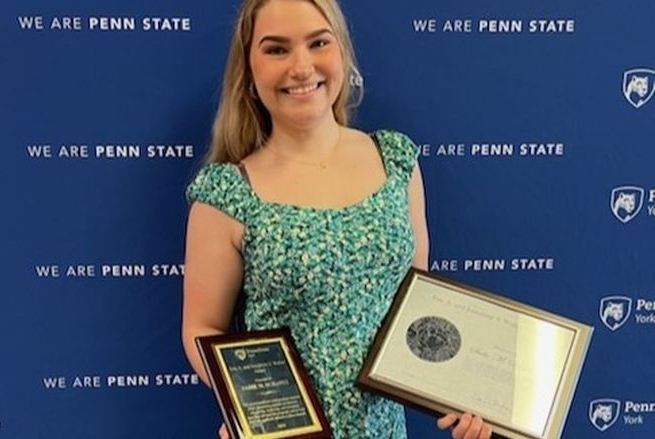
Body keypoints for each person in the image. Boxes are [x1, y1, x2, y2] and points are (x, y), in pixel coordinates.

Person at [182, 0, 493, 438]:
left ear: (342, 52)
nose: (301, 67)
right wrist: (246, 406)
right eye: (276, 50)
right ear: (249, 72)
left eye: (318, 43)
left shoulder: (396, 162)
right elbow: (203, 328)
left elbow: (418, 304)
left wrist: (463, 395)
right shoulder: (228, 194)